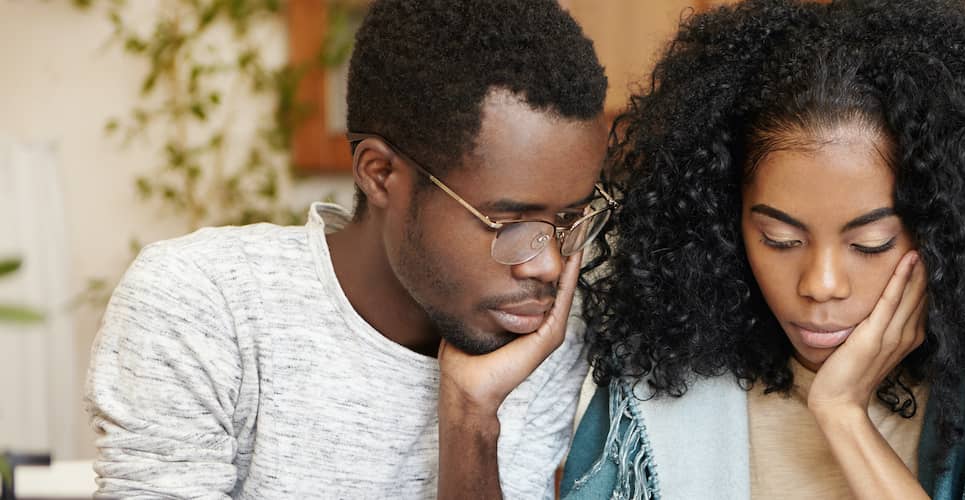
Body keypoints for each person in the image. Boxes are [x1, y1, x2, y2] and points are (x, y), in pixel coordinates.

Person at [551, 0, 965, 498]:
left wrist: (843, 416)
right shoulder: (657, 373)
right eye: (778, 240)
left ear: (945, 230)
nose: (820, 283)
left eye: (870, 243)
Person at [84, 1, 613, 497]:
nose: (549, 264)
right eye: (508, 221)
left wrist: (472, 417)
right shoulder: (202, 305)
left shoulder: (547, 335)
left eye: (570, 218)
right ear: (380, 174)